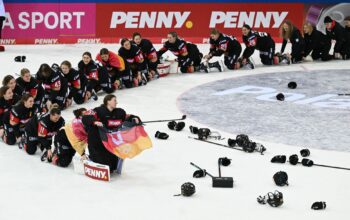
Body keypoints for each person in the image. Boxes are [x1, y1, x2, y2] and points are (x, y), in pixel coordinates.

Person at [82, 94, 140, 172]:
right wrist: (94, 122)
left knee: (112, 167)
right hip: (97, 142)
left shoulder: (119, 112)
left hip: (109, 143)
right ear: (108, 101)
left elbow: (127, 117)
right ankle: (90, 158)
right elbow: (86, 116)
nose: (117, 102)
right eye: (114, 100)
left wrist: (134, 118)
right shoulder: (98, 110)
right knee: (105, 165)